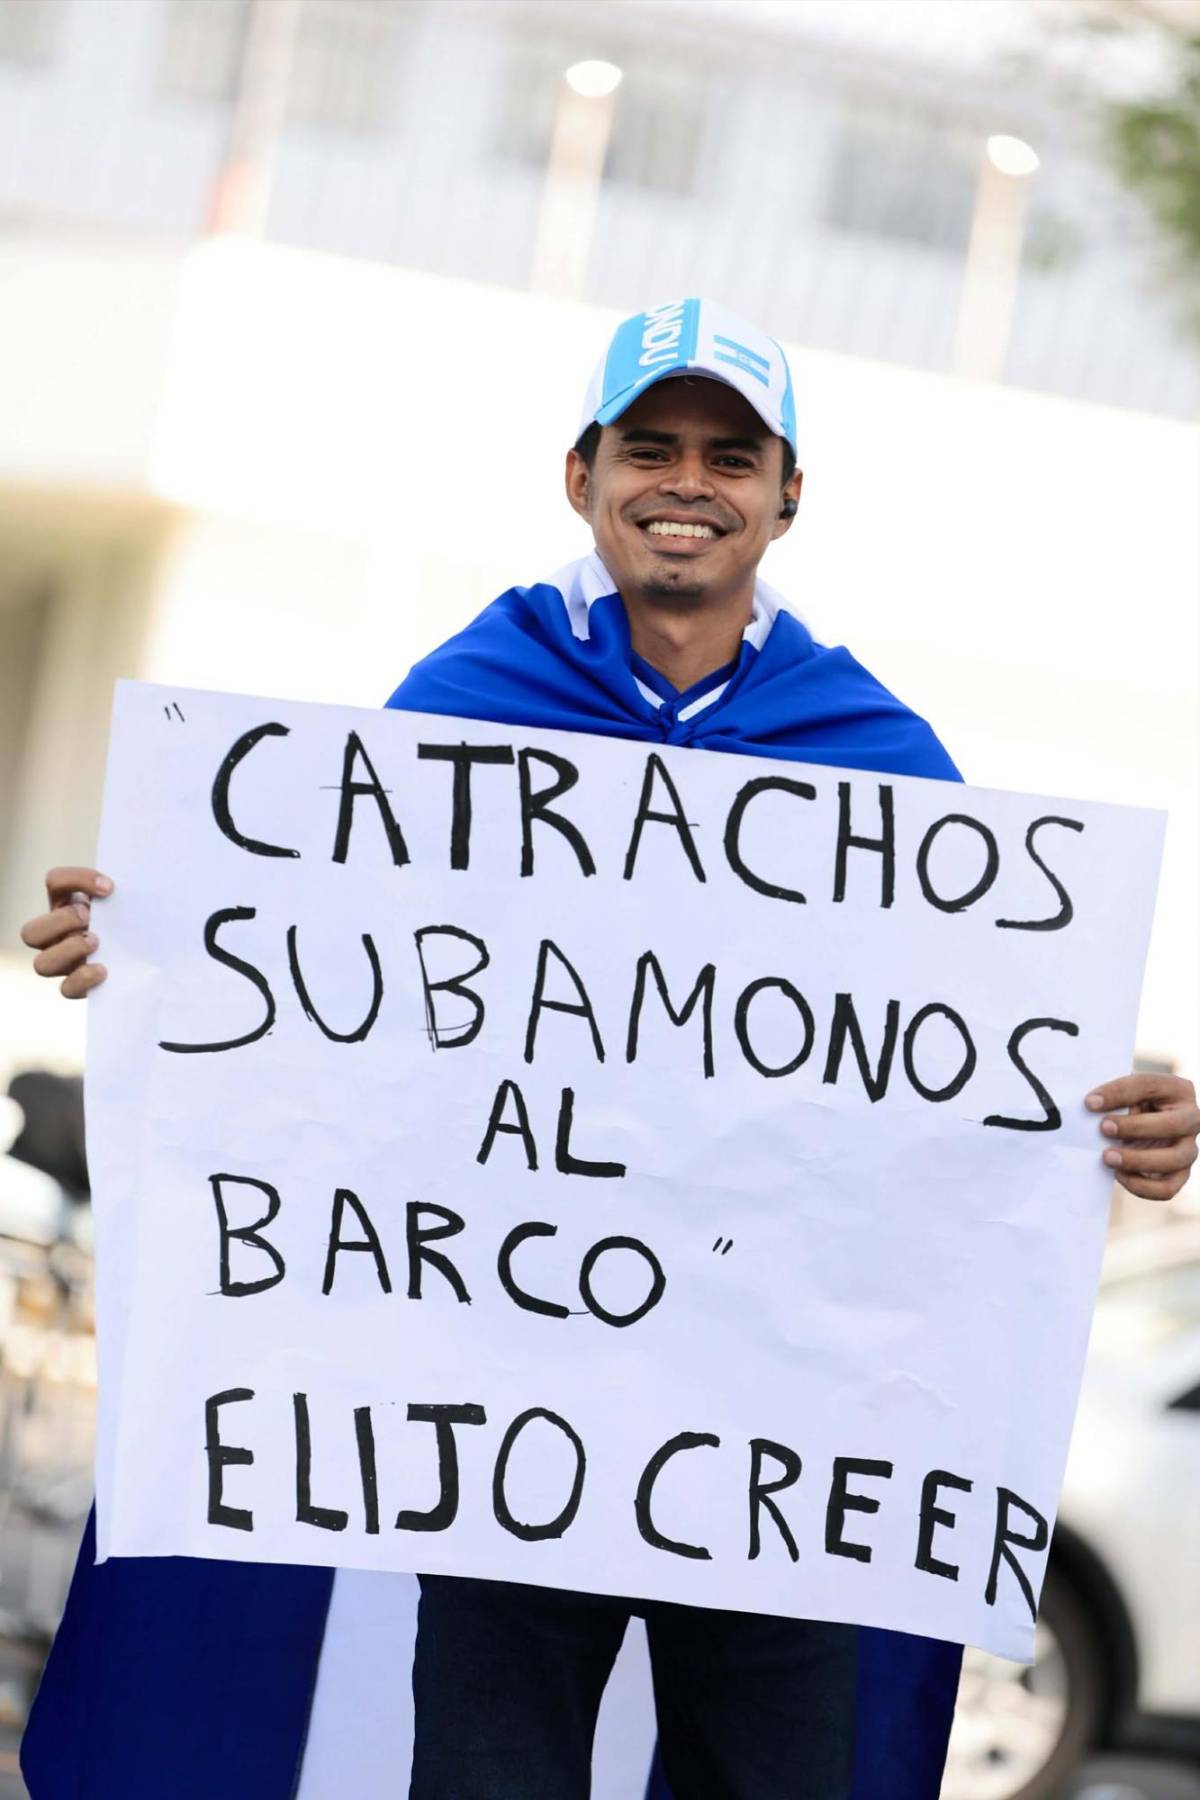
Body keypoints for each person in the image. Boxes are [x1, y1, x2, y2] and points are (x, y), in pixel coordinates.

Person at [18, 299, 1199, 1800]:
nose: (685, 481)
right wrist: (146, 953)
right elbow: (331, 995)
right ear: (580, 476)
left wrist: (1127, 1124)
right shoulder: (456, 710)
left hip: (779, 1461)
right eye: (649, 446)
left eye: (729, 453)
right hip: (517, 1448)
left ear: (787, 496)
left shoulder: (884, 764)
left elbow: (959, 1076)